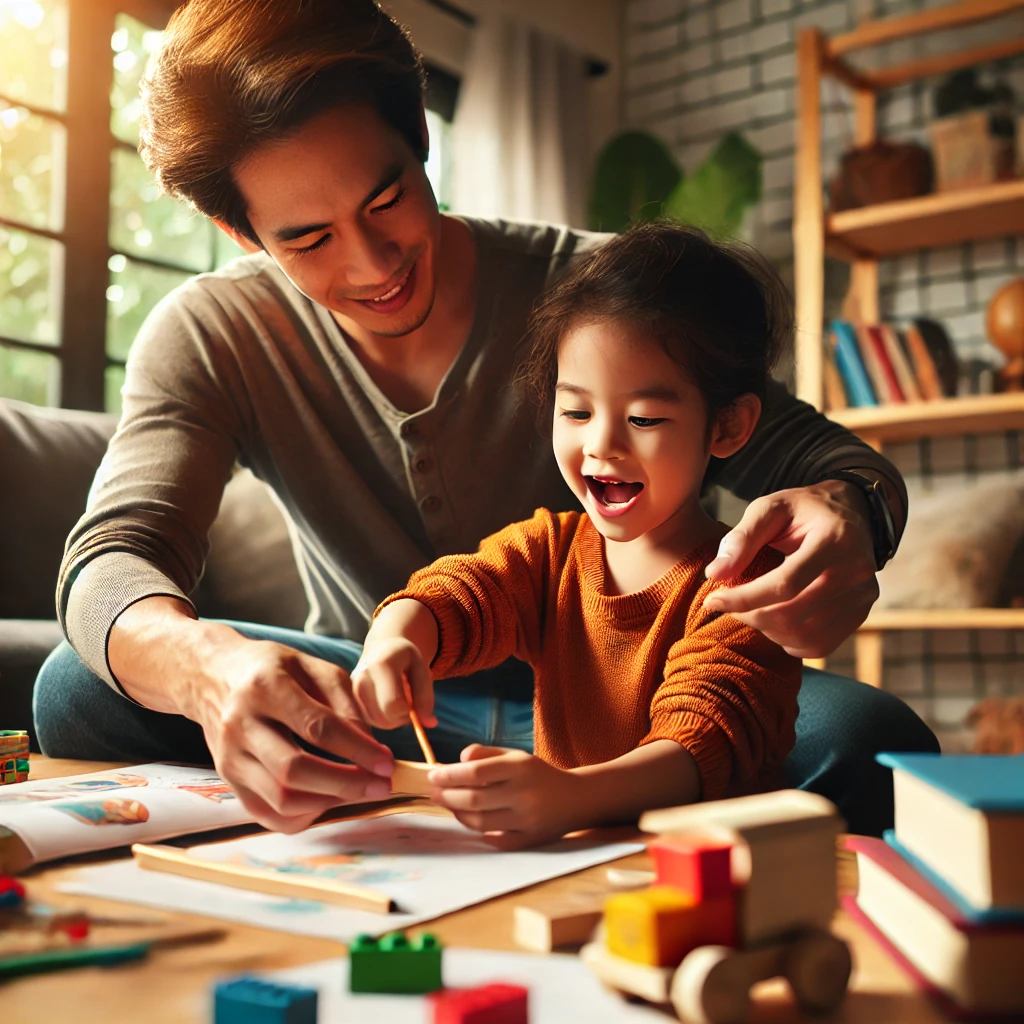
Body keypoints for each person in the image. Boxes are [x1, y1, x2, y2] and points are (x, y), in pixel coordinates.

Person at [33, 0, 936, 839]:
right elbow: (112, 560)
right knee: (79, 686)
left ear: (421, 137)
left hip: (636, 697)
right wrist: (207, 671)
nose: (374, 263)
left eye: (385, 199)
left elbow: (832, 462)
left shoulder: (597, 298)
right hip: (383, 704)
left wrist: (850, 514)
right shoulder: (213, 332)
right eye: (306, 239)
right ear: (246, 236)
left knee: (871, 742)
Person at [351, 222, 803, 849]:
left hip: (715, 873)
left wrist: (574, 796)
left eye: (644, 418)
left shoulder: (750, 584)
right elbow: (465, 590)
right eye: (576, 412)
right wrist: (396, 637)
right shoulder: (552, 552)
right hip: (568, 862)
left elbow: (704, 740)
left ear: (727, 426)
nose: (600, 446)